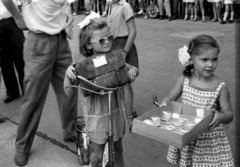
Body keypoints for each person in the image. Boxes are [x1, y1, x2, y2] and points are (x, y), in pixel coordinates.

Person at [2, 0, 78, 166]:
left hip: (61, 40)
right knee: (34, 98)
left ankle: (70, 130)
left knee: (69, 86)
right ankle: (22, 146)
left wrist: (67, 17)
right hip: (39, 40)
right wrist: (17, 17)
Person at [64, 14, 134, 167]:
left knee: (118, 150)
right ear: (89, 44)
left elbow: (133, 69)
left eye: (109, 37)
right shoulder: (82, 65)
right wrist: (68, 75)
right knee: (98, 153)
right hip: (97, 116)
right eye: (101, 40)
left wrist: (132, 72)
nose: (107, 42)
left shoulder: (116, 58)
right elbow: (68, 92)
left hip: (114, 111)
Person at [160, 35, 234, 167]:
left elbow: (229, 114)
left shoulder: (220, 87)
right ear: (192, 59)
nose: (210, 64)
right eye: (204, 59)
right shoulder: (185, 79)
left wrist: (221, 117)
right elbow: (171, 97)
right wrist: (166, 102)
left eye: (214, 59)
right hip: (186, 133)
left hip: (208, 142)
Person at [108, 0, 139, 131]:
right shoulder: (110, 5)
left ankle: (130, 117)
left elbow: (133, 31)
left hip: (123, 46)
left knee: (125, 82)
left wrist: (125, 52)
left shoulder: (125, 6)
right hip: (113, 45)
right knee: (119, 81)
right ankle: (125, 110)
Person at [0, 0, 25, 104]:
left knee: (21, 57)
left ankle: (28, 90)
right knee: (4, 60)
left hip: (13, 20)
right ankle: (12, 92)